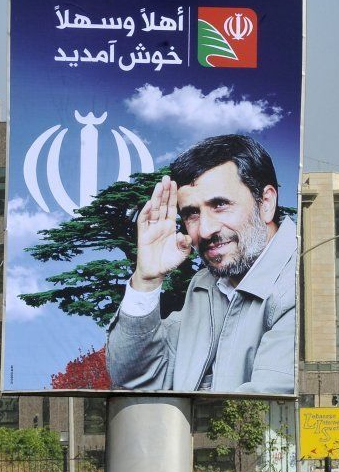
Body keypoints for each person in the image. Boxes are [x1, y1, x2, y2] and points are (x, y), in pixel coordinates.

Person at [107, 134, 297, 393]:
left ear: (266, 203)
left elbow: (262, 410)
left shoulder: (302, 284)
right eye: (191, 214)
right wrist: (146, 279)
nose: (205, 230)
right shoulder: (205, 285)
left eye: (220, 205)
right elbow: (135, 378)